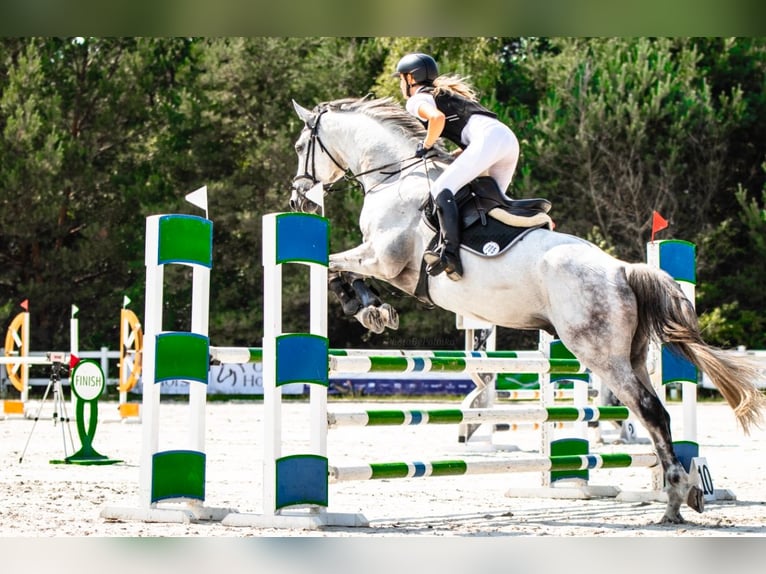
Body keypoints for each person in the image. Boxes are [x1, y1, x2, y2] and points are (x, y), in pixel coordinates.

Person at [394, 52, 521, 281]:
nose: (401, 84)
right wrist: (460, 152)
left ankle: (449, 254)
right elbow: (472, 126)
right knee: (493, 202)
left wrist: (426, 145)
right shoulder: (446, 94)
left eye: (401, 79)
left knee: (441, 189)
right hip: (506, 140)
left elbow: (437, 119)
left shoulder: (416, 100)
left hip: (489, 140)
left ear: (411, 79)